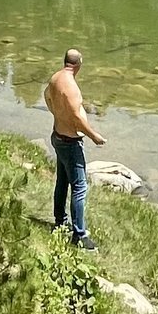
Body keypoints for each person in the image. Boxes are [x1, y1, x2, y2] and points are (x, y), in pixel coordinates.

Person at [42, 48, 105, 249]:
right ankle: (80, 235)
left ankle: (60, 221)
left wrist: (56, 114)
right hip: (70, 143)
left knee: (62, 181)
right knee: (79, 187)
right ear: (79, 64)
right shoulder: (72, 88)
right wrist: (93, 135)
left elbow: (47, 96)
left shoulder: (55, 78)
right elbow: (77, 118)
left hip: (58, 136)